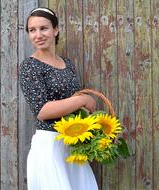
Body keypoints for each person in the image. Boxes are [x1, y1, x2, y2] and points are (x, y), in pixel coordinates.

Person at [19, 7, 99, 190]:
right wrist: (82, 100)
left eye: (43, 28)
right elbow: (42, 111)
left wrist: (88, 110)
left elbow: (74, 102)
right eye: (32, 30)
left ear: (56, 30)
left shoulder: (67, 63)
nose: (38, 35)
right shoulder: (30, 66)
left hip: (72, 145)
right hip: (50, 146)